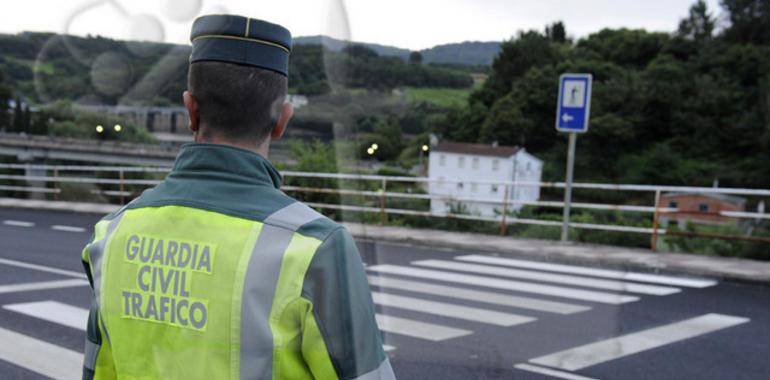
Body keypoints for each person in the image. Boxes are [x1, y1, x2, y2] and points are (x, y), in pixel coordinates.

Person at [80, 14, 394, 380]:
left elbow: (97, 370)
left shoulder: (112, 235)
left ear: (190, 110)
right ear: (282, 120)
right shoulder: (315, 248)